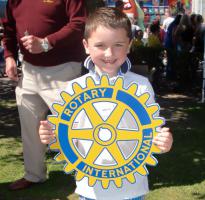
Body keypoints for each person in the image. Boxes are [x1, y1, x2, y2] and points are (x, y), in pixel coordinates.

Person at [39, 7, 173, 200]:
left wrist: (164, 142)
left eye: (118, 44)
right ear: (86, 45)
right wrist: (49, 134)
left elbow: (152, 133)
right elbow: (66, 137)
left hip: (132, 189)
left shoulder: (141, 86)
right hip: (90, 190)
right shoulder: (74, 88)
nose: (109, 53)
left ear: (129, 45)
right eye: (100, 45)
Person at [2, 0, 86, 190]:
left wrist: (47, 43)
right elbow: (9, 28)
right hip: (29, 71)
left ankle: (88, 171)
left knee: (75, 125)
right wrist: (9, 57)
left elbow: (79, 23)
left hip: (64, 69)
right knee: (30, 128)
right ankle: (34, 175)